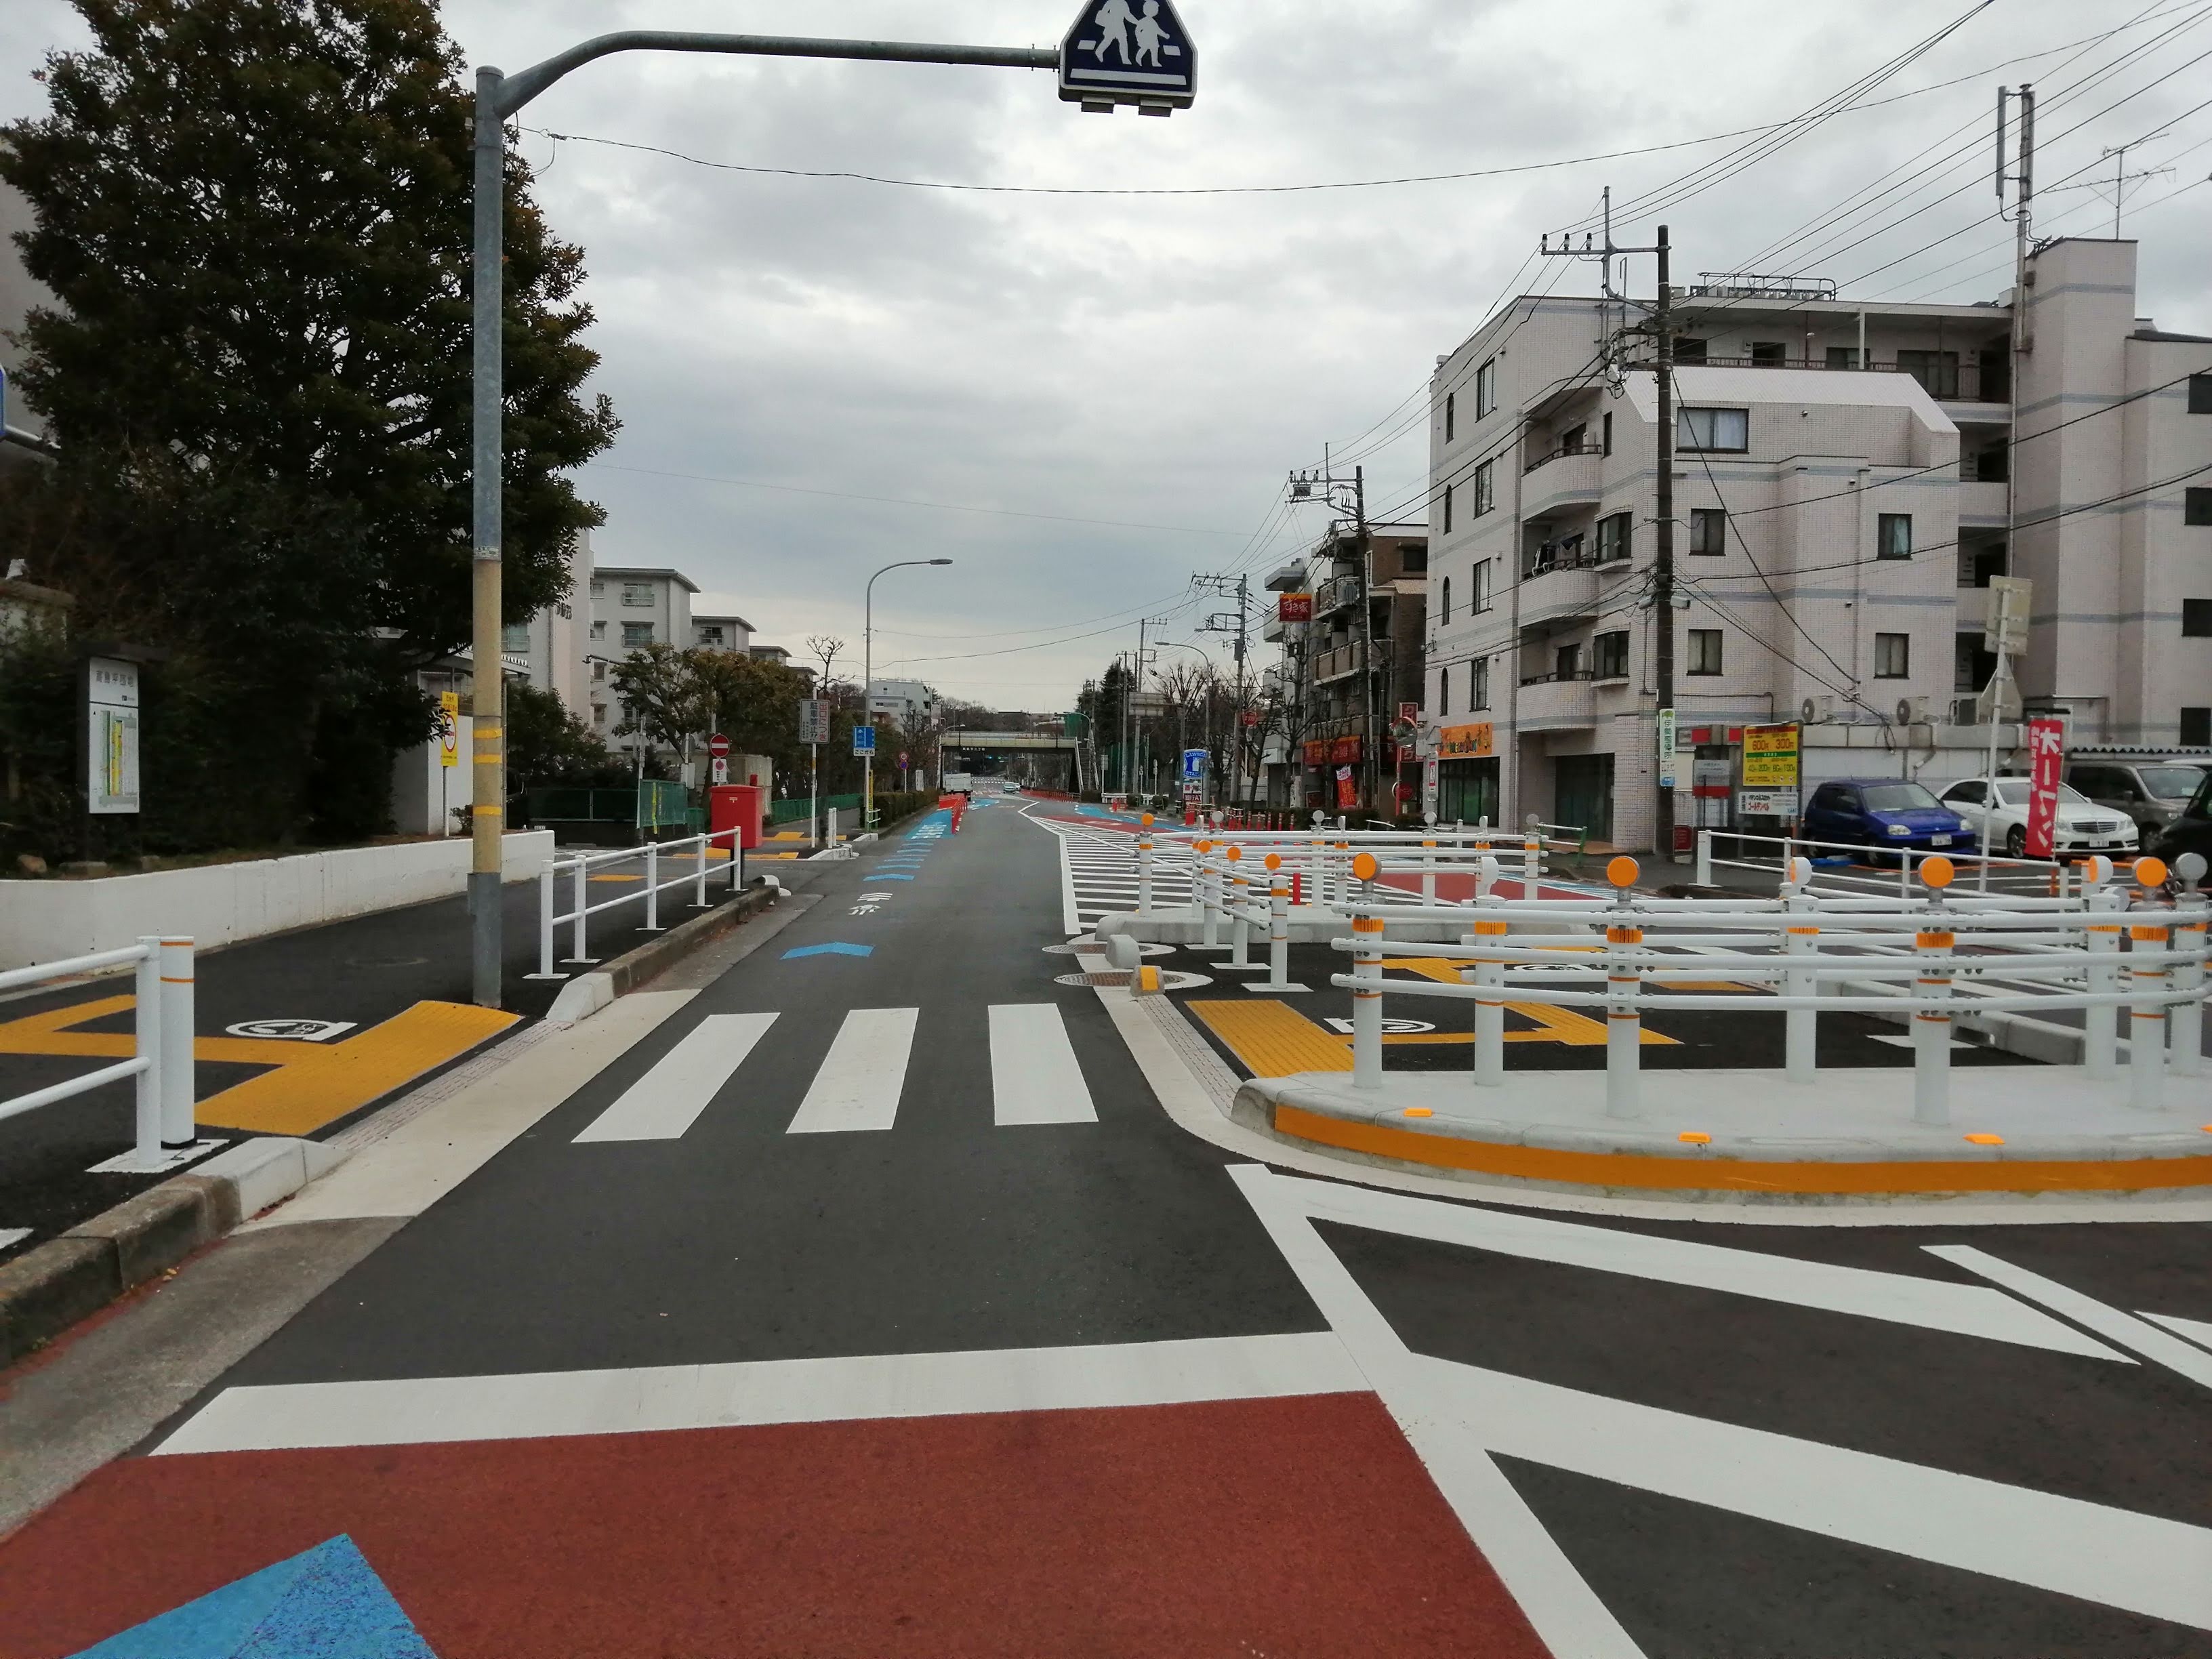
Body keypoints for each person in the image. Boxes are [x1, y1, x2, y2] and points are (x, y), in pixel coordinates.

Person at [1089, 0, 1134, 65]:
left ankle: (1125, 59)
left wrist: (1137, 22)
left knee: (1123, 42)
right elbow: (1104, 12)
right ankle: (1099, 52)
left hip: (1120, 25)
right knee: (1108, 40)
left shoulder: (1124, 3)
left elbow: (1128, 15)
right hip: (1111, 24)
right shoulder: (1110, 2)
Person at [1132, 0, 1168, 67]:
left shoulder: (1153, 22)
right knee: (1144, 49)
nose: (1156, 11)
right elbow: (1137, 30)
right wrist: (1139, 38)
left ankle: (1155, 62)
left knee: (1154, 50)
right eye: (1155, 9)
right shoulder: (1143, 21)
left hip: (1153, 40)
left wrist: (1165, 35)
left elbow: (1158, 30)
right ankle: (1138, 59)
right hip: (1145, 39)